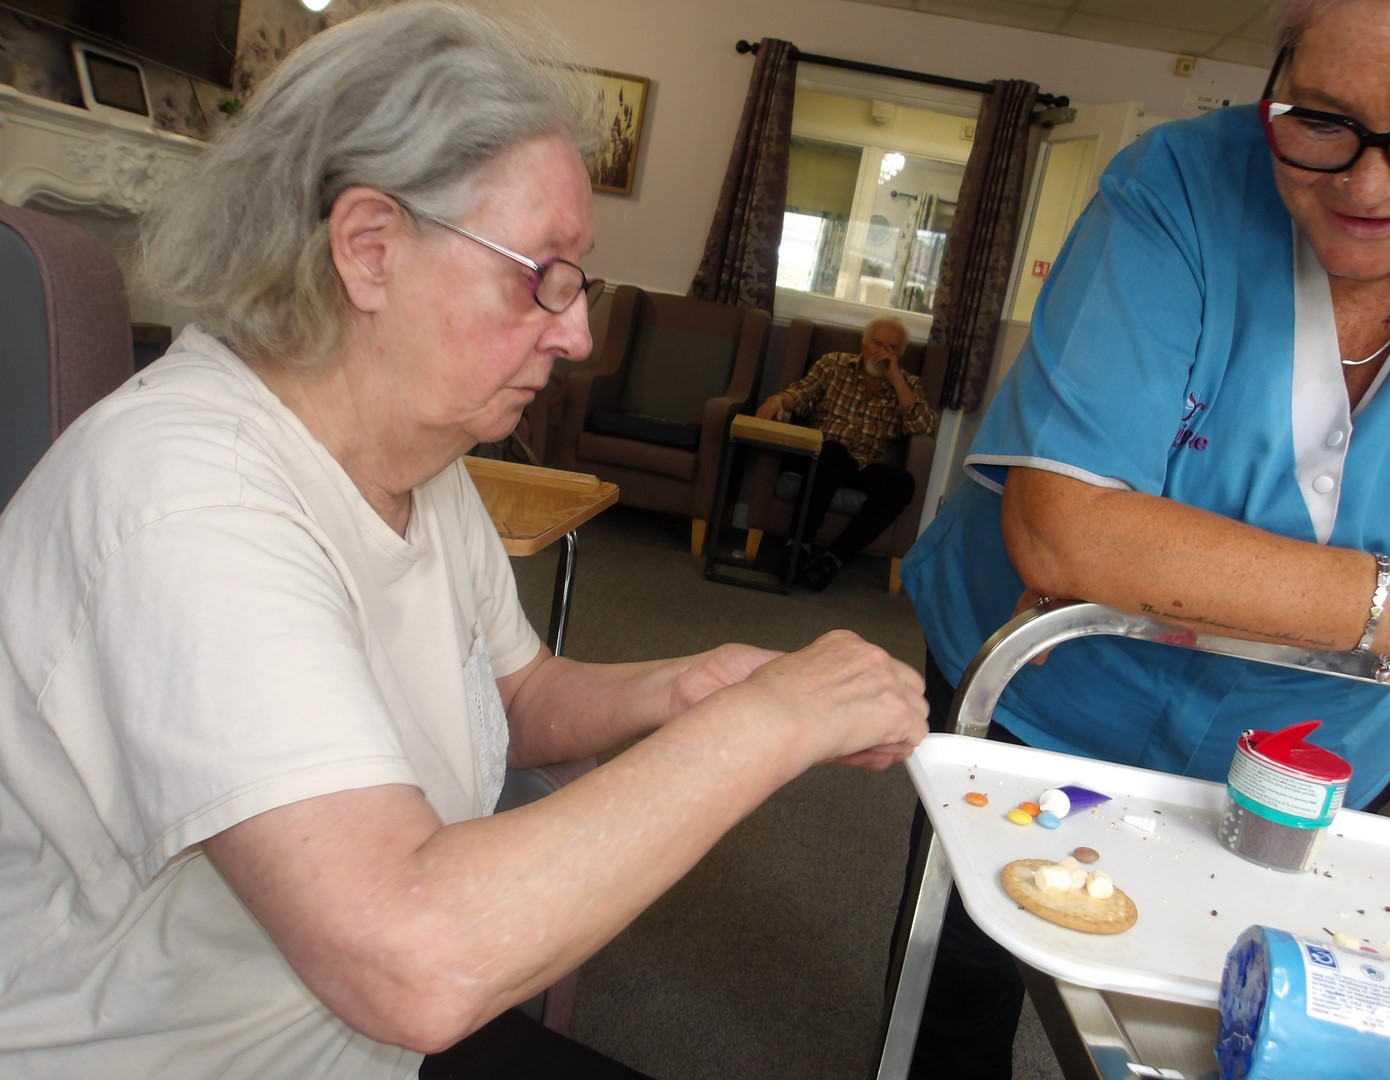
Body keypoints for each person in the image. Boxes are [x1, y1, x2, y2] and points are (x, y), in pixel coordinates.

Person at [0, 5, 931, 1078]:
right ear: (370, 249)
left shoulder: (419, 459)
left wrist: (687, 688)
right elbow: (413, 962)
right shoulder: (188, 499)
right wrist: (770, 721)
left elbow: (512, 698)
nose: (578, 332)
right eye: (542, 274)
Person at [892, 0, 1390, 1075]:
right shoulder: (1178, 184)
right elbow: (1066, 533)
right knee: (964, 988)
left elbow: (1114, 537)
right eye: (1320, 118)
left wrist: (1169, 555)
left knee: (1261, 1023)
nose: (1367, 183)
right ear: (1275, 81)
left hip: (1312, 755)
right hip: (1047, 696)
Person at [755, 314, 937, 591]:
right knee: (832, 453)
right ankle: (799, 545)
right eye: (877, 343)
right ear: (863, 343)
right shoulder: (834, 364)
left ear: (900, 354)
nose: (883, 352)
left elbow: (921, 425)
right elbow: (801, 395)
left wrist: (897, 380)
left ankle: (834, 559)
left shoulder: (908, 384)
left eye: (891, 348)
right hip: (824, 456)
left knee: (903, 484)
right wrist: (778, 400)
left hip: (867, 464)